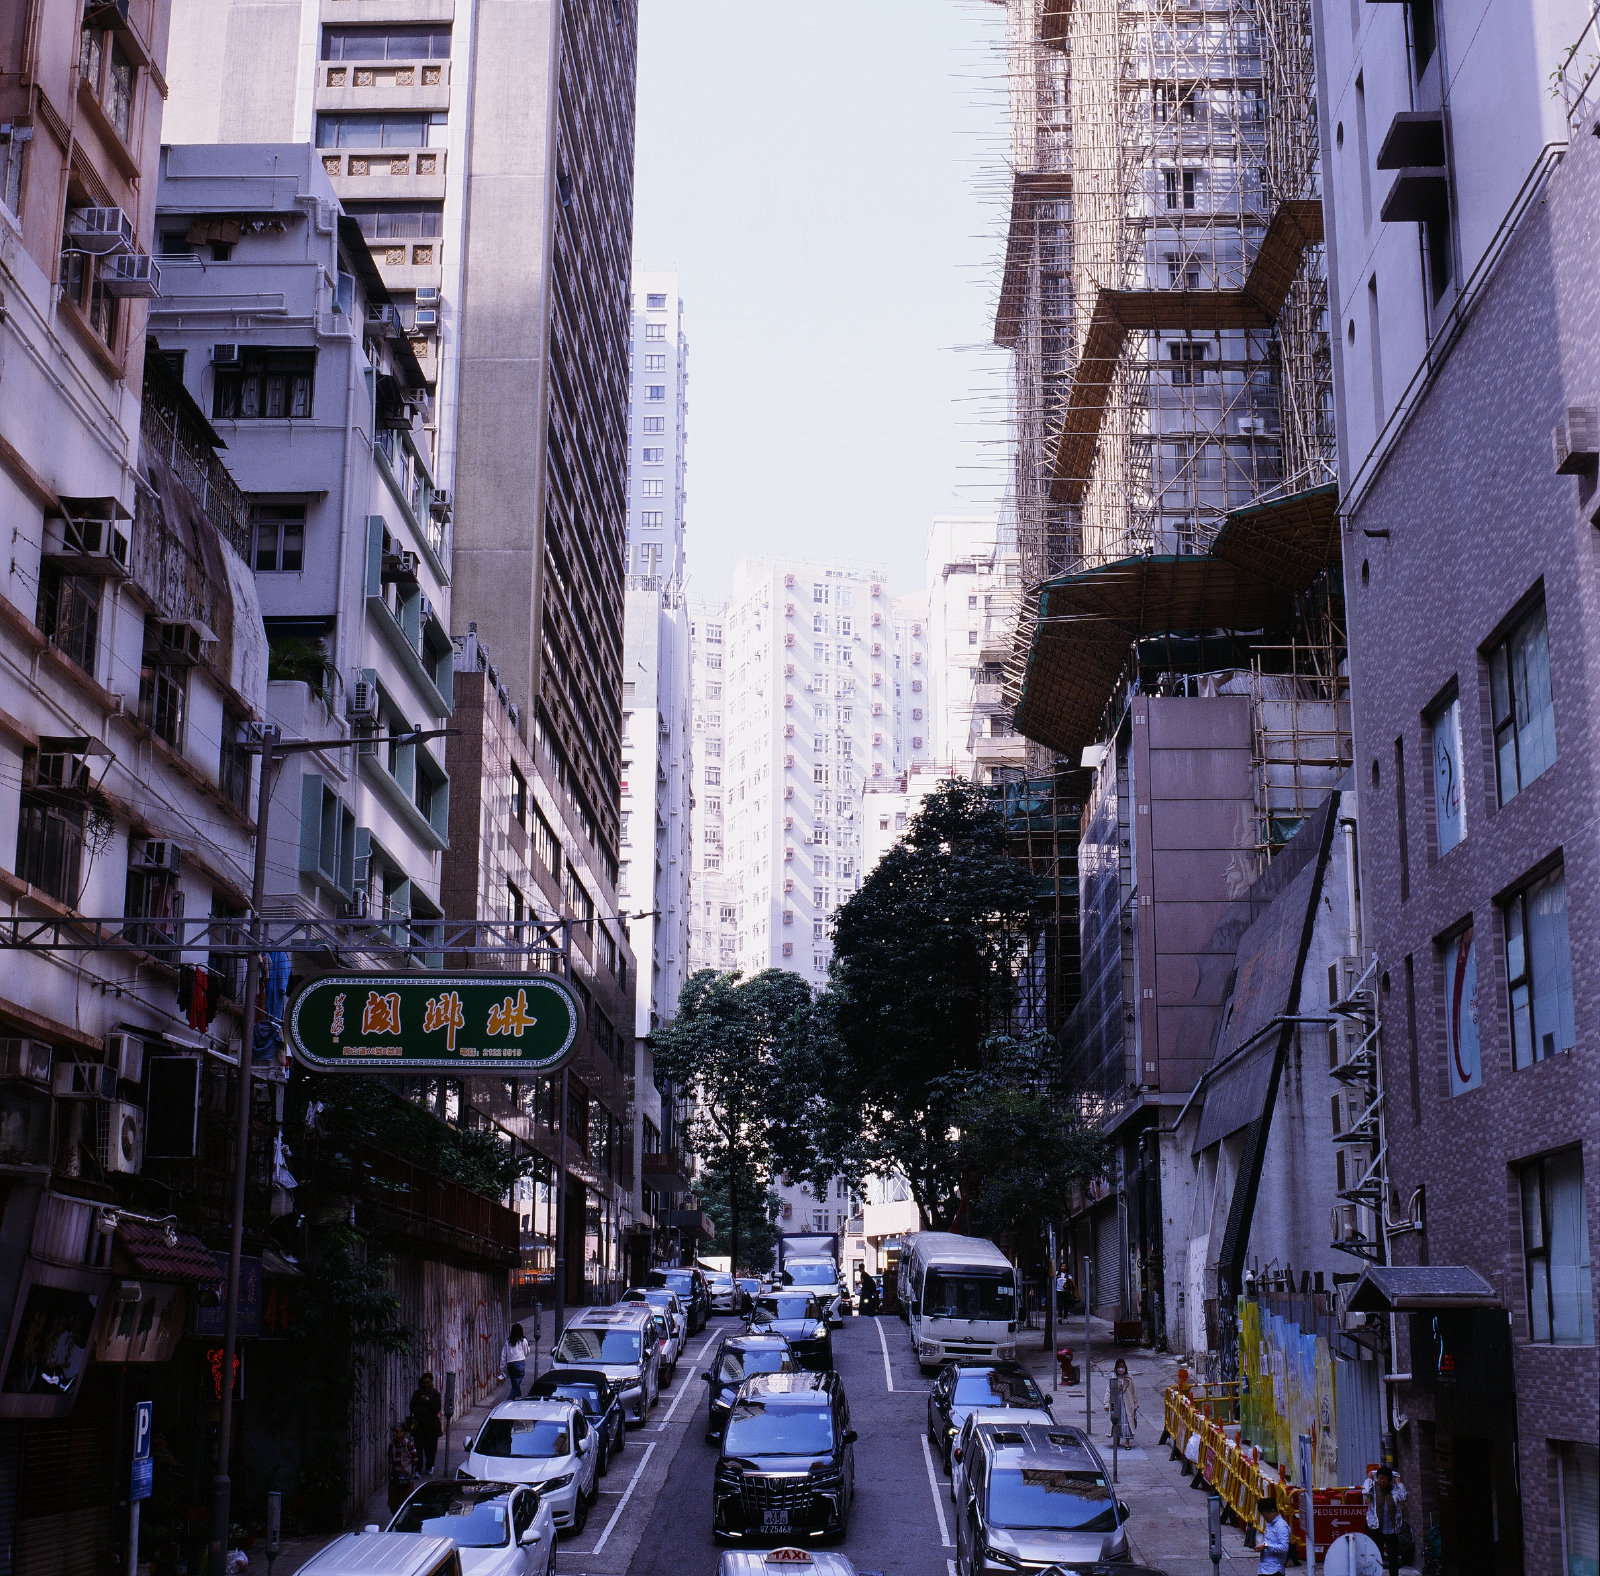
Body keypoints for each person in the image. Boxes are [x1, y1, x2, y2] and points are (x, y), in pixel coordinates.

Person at [1364, 1465, 1409, 1576]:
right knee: (1376, 1556)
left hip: (1392, 1530)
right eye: (1380, 1478)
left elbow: (1403, 1497)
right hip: (1377, 1529)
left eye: (1384, 1478)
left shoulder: (1395, 1490)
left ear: (1389, 1479)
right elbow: (1365, 1491)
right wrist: (1369, 1479)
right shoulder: (1374, 1489)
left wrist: (1399, 1483)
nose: (1382, 1481)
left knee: (1393, 1557)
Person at [409, 1372, 444, 1474]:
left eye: (428, 1382)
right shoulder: (417, 1394)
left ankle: (430, 1465)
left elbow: (437, 1408)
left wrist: (428, 1402)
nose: (426, 1385)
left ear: (431, 1382)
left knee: (431, 1449)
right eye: (424, 1383)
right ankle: (418, 1469)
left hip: (432, 1426)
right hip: (419, 1426)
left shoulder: (435, 1394)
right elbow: (412, 1407)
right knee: (419, 1449)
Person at [1103, 1356, 1139, 1444]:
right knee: (1116, 1421)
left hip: (1127, 1403)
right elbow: (1109, 1391)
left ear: (1125, 1368)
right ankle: (1117, 1439)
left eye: (1122, 1367)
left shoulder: (1129, 1379)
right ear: (1116, 1368)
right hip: (1116, 1403)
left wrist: (1135, 1404)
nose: (1120, 1369)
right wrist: (1106, 1403)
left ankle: (1127, 1442)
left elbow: (1134, 1392)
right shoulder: (1113, 1378)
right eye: (1119, 1367)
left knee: (1127, 1421)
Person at [387, 1422, 419, 1511]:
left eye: (397, 1432)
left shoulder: (409, 1445)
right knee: (392, 1503)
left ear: (403, 1433)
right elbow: (391, 1461)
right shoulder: (391, 1446)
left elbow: (415, 1460)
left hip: (406, 1479)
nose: (394, 1434)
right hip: (394, 1479)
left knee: (406, 1504)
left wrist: (409, 1472)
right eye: (394, 1432)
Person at [1258, 1495, 1292, 1576]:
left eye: (1265, 1514)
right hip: (1264, 1568)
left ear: (1273, 1511)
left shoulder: (1281, 1526)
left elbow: (1284, 1548)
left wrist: (1266, 1546)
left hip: (1275, 1570)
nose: (1264, 1517)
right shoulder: (1269, 1523)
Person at [502, 1323, 531, 1399]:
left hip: (510, 1365)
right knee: (516, 1386)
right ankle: (508, 1401)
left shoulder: (508, 1341)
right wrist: (529, 1348)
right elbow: (526, 1352)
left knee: (515, 1384)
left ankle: (518, 1398)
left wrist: (501, 1368)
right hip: (519, 1364)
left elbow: (503, 1355)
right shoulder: (523, 1340)